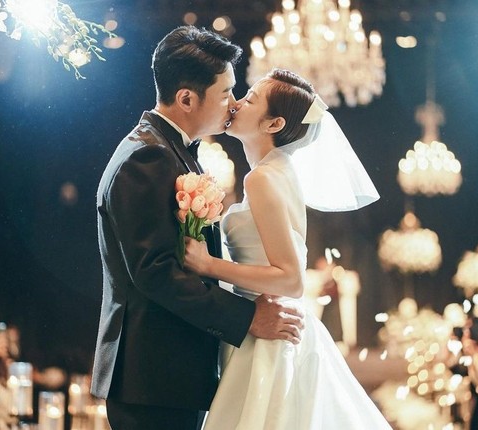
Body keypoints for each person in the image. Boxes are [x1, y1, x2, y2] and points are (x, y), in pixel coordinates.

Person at [91, 26, 304, 430]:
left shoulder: (171, 151)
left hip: (170, 379)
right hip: (154, 379)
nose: (234, 103)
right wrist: (247, 317)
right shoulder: (147, 158)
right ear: (187, 98)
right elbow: (156, 272)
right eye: (225, 93)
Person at [183, 68, 390, 429]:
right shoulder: (278, 171)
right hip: (267, 324)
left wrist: (207, 265)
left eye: (250, 100)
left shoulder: (262, 178)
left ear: (273, 123)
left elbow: (291, 280)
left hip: (267, 335)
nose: (236, 103)